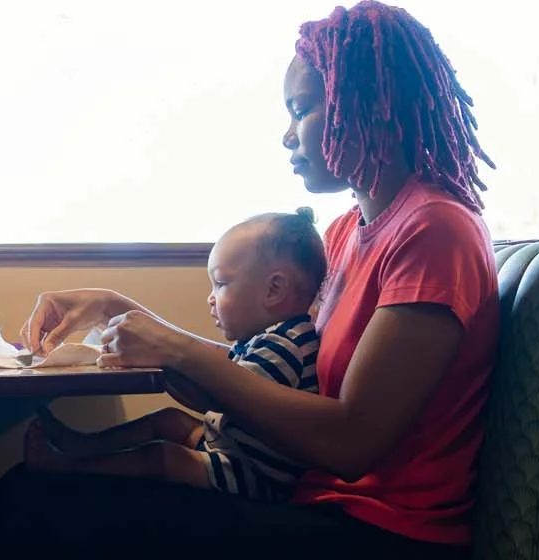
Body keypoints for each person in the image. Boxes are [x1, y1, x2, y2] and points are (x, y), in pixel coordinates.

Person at [0, 0, 502, 560]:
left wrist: (180, 348)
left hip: (386, 551)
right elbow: (267, 380)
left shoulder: (435, 231)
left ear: (370, 104)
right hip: (319, 514)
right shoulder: (350, 232)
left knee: (46, 524)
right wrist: (123, 312)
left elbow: (352, 439)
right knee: (24, 499)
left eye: (302, 108)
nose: (288, 131)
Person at [23, 209, 325, 497]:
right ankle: (80, 445)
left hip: (255, 476)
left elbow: (224, 399)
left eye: (220, 284)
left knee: (165, 457)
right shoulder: (269, 336)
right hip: (236, 450)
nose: (210, 298)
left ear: (274, 290)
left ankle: (69, 465)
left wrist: (165, 358)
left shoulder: (283, 346)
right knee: (168, 420)